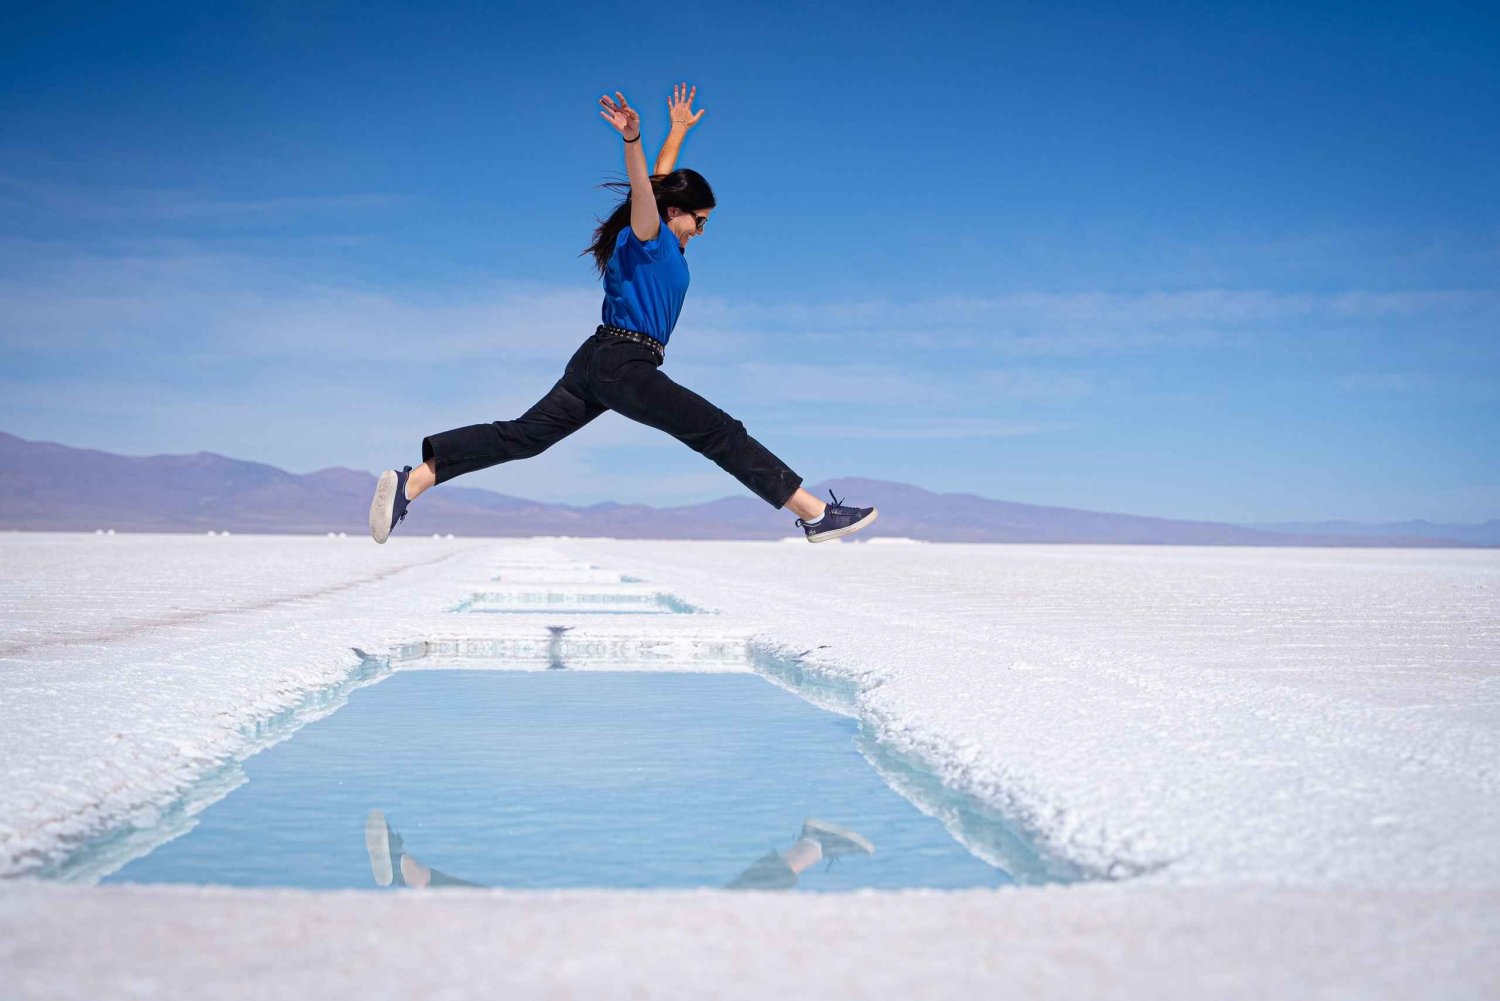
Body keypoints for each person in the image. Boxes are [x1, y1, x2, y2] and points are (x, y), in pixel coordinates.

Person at [369, 83, 877, 545]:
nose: (701, 230)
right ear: (675, 213)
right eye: (699, 220)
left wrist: (675, 132)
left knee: (525, 437)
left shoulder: (666, 248)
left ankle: (410, 483)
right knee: (720, 432)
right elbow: (645, 188)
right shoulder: (649, 235)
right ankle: (813, 513)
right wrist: (632, 141)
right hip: (624, 362)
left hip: (595, 361)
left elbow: (655, 185)